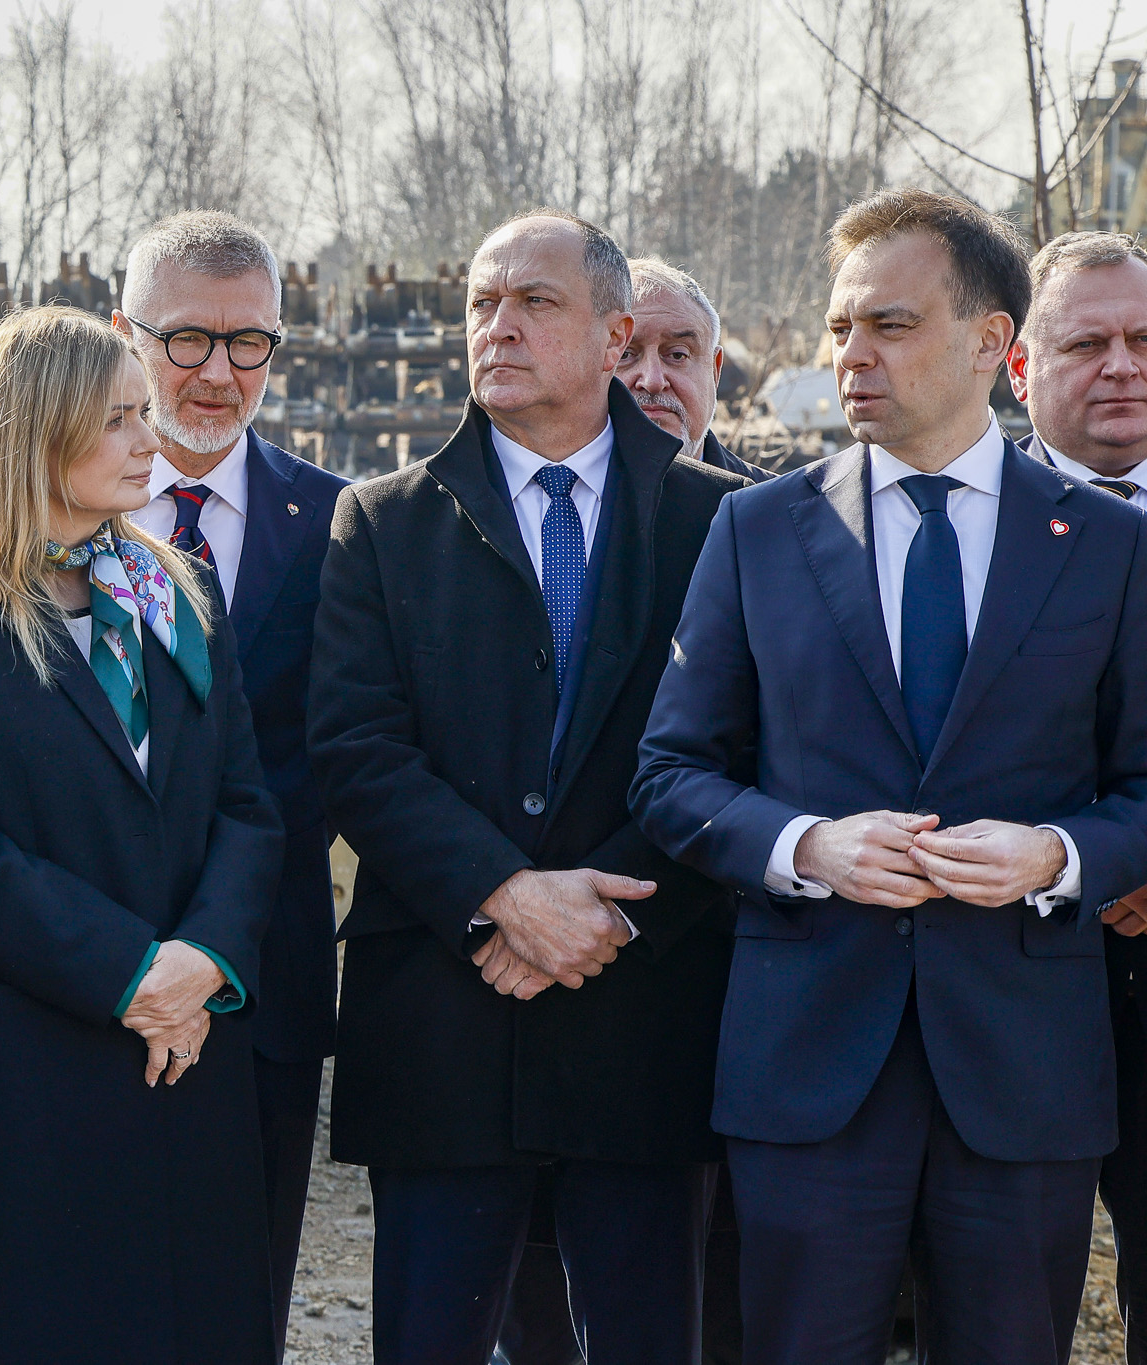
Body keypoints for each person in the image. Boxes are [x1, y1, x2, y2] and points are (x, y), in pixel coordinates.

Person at [632, 188, 1147, 1365]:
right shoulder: (756, 533)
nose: (848, 356)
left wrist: (1056, 858)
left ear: (987, 344)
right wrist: (802, 848)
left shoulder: (1106, 546)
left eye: (889, 325)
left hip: (1023, 1072)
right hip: (806, 1065)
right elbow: (671, 775)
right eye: (837, 328)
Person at [309, 210, 746, 1365]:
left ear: (613, 339)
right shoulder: (380, 520)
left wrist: (598, 912)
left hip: (644, 1011)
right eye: (480, 305)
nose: (495, 327)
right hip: (446, 1016)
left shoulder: (722, 523)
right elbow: (354, 747)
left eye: (532, 303)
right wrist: (504, 892)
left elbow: (742, 748)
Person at [0, 304, 283, 1364]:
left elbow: (244, 804)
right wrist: (127, 969)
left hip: (185, 1052)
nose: (153, 440)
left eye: (146, 413)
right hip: (20, 1071)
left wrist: (200, 961)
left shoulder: (176, 592)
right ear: (34, 432)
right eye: (120, 420)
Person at [111, 210, 347, 1356]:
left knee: (240, 1300)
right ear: (125, 336)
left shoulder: (344, 522)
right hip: (87, 964)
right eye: (185, 340)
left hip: (266, 974)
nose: (216, 373)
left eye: (247, 342)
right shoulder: (59, 516)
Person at [1008, 229, 1147, 1365]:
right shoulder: (944, 513)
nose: (1121, 365)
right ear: (1016, 366)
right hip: (996, 986)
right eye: (1085, 342)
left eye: (1144, 340)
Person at [618, 258, 769, 483]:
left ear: (715, 371)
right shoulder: (559, 508)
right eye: (625, 355)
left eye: (678, 355)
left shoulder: (776, 510)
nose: (652, 381)